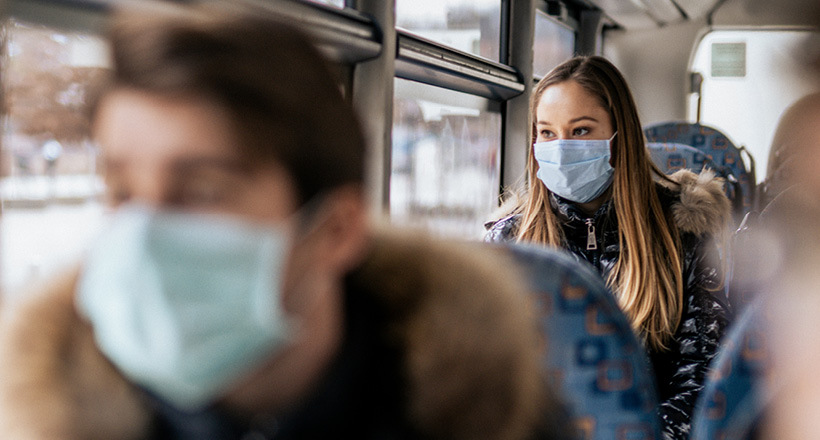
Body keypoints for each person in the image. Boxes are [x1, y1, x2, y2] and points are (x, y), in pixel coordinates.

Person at [0, 4, 569, 440]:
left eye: (202, 189)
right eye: (122, 189)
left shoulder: (491, 416)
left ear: (336, 230)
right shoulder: (59, 416)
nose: (144, 229)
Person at [485, 55, 731, 440]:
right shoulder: (509, 244)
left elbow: (702, 378)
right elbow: (488, 382)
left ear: (620, 136)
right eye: (547, 133)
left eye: (581, 131)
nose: (562, 148)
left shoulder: (682, 232)